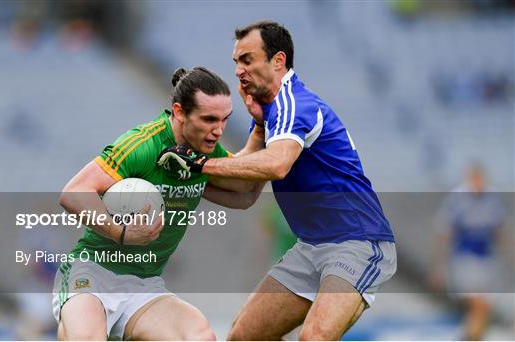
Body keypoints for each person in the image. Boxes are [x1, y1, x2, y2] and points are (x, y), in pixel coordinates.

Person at [158, 21, 397, 340]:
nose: (239, 71)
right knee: (244, 336)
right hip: (311, 246)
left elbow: (277, 165)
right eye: (236, 62)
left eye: (247, 60)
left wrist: (199, 164)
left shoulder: (294, 103)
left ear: (278, 61)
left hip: (357, 242)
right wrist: (188, 176)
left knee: (314, 337)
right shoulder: (272, 114)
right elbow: (244, 189)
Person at [54, 66, 261, 340]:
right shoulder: (143, 144)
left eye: (224, 120)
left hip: (144, 284)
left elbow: (246, 193)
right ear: (179, 112)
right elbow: (73, 192)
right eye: (209, 119)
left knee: (199, 337)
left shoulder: (206, 154)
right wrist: (122, 233)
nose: (218, 130)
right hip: (92, 273)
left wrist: (263, 130)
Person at [430, 164, 506, 340]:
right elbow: (444, 233)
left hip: (486, 260)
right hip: (464, 260)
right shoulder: (457, 200)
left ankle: (469, 338)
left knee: (481, 311)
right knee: (480, 306)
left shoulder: (492, 199)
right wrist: (438, 268)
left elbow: (498, 231)